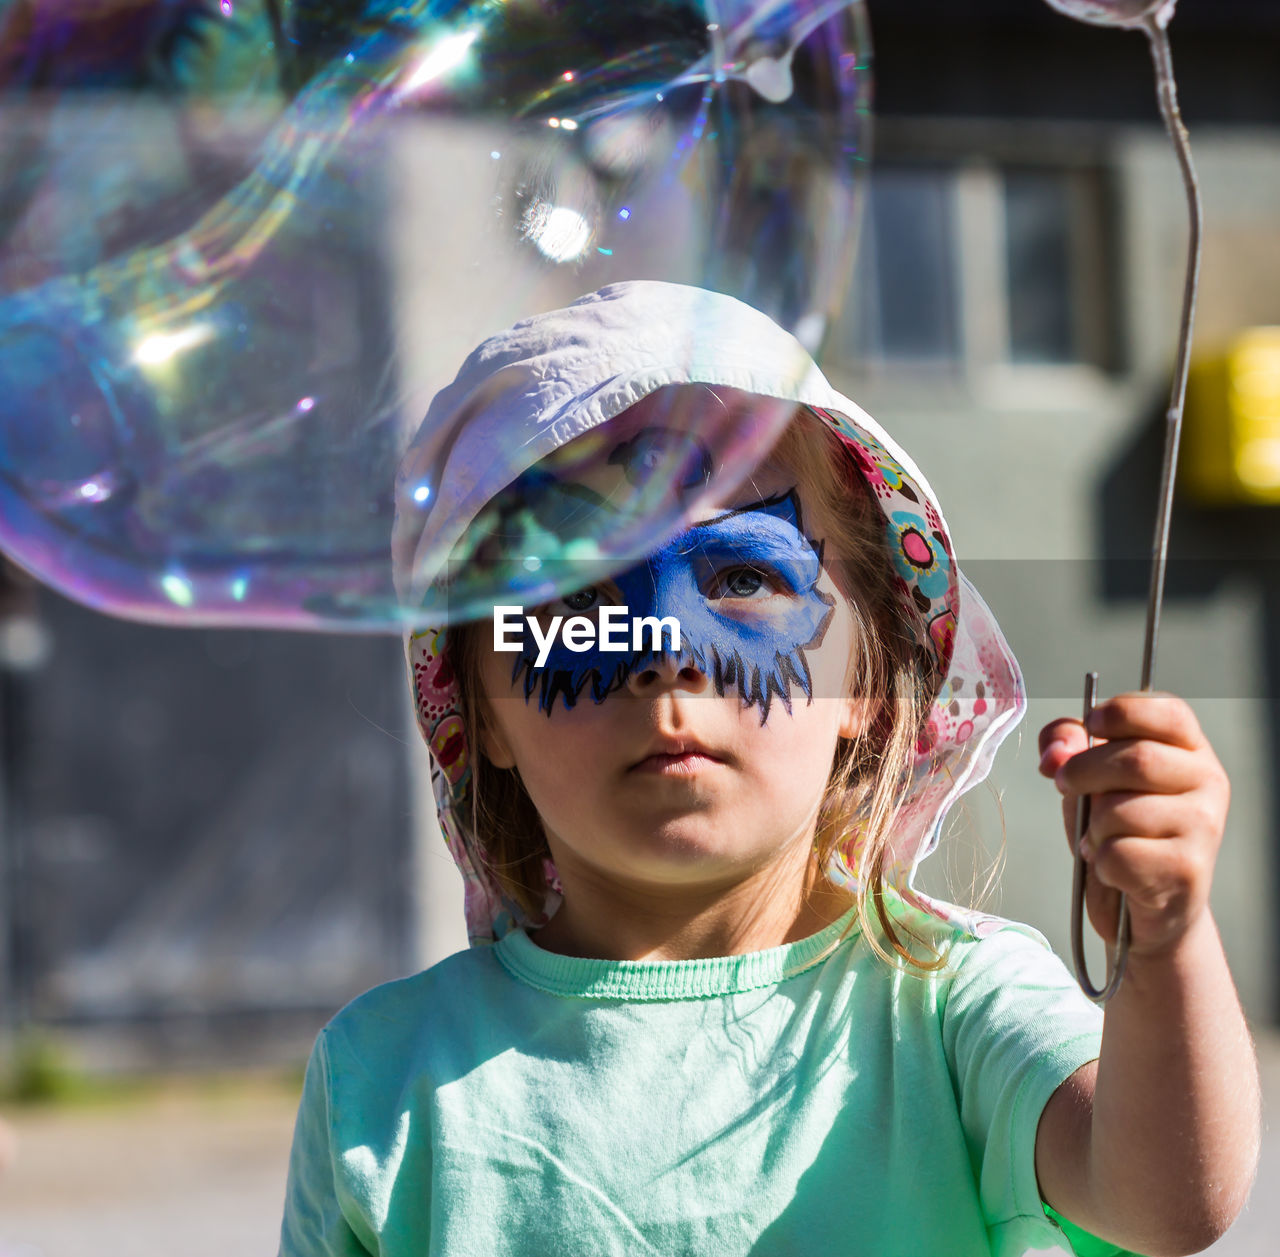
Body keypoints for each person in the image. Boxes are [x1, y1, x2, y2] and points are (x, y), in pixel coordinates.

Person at [278, 282, 1259, 1257]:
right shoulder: (380, 1079)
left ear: (869, 680)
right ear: (475, 708)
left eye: (742, 577)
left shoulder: (954, 1006)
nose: (664, 649)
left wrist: (1166, 942)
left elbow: (1167, 1202)